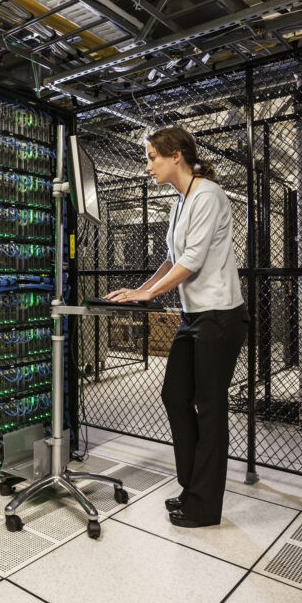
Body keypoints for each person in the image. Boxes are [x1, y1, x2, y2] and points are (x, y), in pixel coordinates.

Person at [105, 126, 248, 528]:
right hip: (193, 317)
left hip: (219, 317)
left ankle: (204, 505)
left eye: (152, 157)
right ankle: (191, 487)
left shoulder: (207, 194)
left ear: (176, 157)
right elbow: (173, 259)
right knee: (174, 396)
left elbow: (195, 260)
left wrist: (149, 297)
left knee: (211, 408)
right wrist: (141, 288)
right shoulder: (180, 202)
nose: (148, 165)